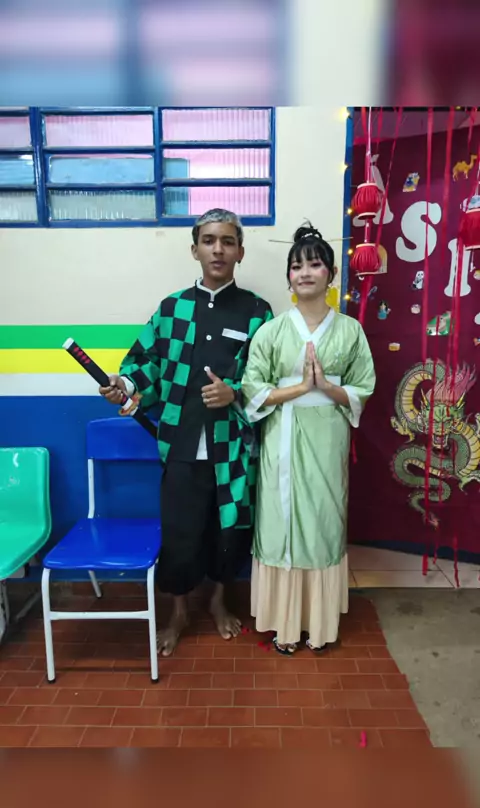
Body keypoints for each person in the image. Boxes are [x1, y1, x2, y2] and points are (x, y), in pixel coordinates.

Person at [100, 209, 273, 656]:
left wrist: (234, 392)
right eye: (209, 240)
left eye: (228, 241)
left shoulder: (257, 312)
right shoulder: (171, 309)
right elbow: (146, 364)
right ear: (194, 249)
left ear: (240, 251)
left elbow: (266, 375)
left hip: (232, 449)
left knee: (228, 530)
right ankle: (178, 612)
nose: (218, 249)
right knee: (180, 532)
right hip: (179, 442)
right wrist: (126, 385)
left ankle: (218, 601)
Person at [241, 224, 376, 654]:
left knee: (322, 519)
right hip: (281, 437)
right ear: (288, 277)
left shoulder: (351, 331)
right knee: (279, 521)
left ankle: (318, 626)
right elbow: (252, 389)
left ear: (331, 274)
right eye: (297, 266)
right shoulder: (271, 331)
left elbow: (363, 387)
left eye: (315, 264)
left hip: (327, 438)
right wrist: (299, 388)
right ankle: (283, 626)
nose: (304, 273)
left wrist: (327, 387)